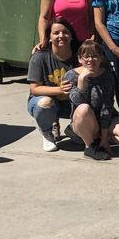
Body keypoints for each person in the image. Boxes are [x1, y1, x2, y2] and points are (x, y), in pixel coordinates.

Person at [67, 39, 119, 160]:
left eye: (95, 56)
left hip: (106, 119)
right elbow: (77, 103)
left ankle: (103, 138)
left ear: (101, 58)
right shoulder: (71, 75)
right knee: (84, 108)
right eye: (86, 57)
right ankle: (90, 146)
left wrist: (105, 138)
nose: (91, 60)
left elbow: (107, 105)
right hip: (83, 120)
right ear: (80, 59)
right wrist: (81, 81)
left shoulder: (106, 74)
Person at [27, 18, 77, 151]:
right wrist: (59, 90)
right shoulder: (39, 58)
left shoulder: (80, 56)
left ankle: (74, 129)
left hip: (73, 105)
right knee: (45, 102)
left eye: (65, 32)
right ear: (49, 37)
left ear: (71, 36)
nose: (61, 36)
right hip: (49, 103)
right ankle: (47, 132)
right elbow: (35, 89)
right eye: (56, 33)